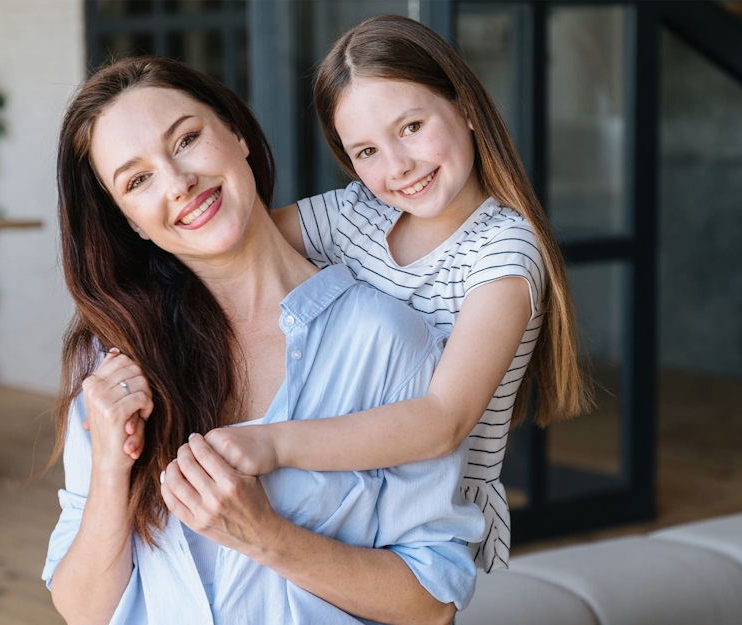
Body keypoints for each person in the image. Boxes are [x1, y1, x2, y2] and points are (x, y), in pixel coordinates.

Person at [41, 55, 486, 625]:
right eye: (136, 180)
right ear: (127, 220)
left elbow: (432, 603)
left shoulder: (385, 340)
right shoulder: (111, 358)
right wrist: (114, 471)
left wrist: (266, 536)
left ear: (237, 135)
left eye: (187, 140)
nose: (177, 182)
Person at [204, 14, 592, 576]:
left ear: (463, 106)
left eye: (410, 127)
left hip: (420, 545)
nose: (397, 167)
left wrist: (274, 444)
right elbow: (236, 247)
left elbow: (442, 422)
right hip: (333, 520)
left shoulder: (503, 252)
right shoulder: (354, 213)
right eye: (365, 152)